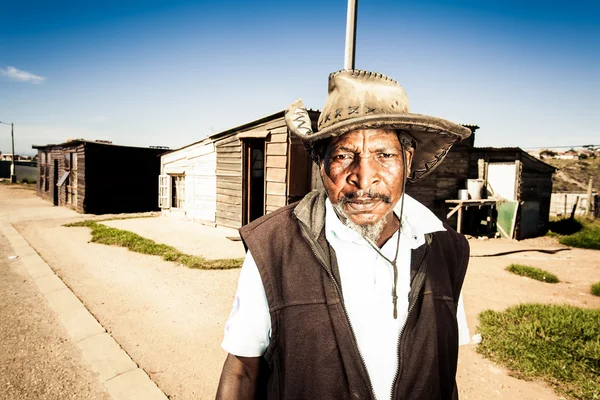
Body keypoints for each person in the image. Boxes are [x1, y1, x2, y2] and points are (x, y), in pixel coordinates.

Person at [216, 69, 472, 400]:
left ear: (407, 161)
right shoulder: (273, 247)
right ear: (320, 164)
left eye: (384, 155)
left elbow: (443, 372)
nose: (364, 179)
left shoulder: (446, 250)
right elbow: (242, 368)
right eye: (342, 156)